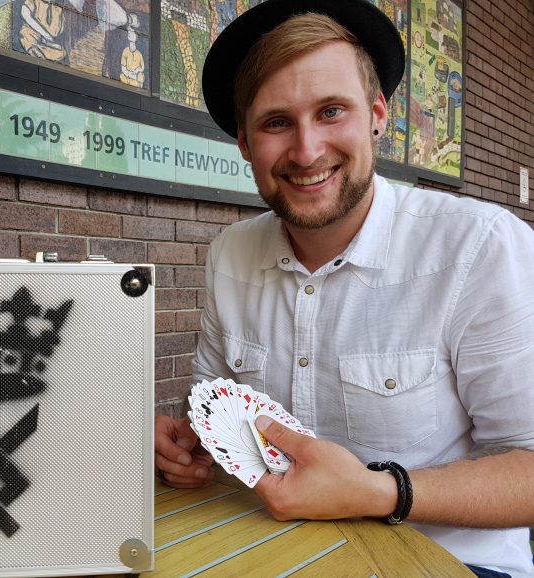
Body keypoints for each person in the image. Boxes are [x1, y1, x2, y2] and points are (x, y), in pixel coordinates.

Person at [153, 1, 534, 576]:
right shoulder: (229, 253)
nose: (307, 152)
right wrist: (188, 447)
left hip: (452, 561)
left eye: (331, 111)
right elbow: (218, 411)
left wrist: (382, 492)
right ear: (244, 143)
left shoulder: (478, 246)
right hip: (269, 546)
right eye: (276, 122)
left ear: (378, 114)